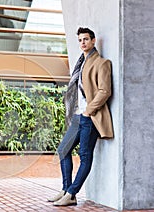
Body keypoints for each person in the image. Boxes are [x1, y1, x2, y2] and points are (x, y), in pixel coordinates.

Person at [47, 27, 113, 206]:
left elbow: (104, 90)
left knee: (85, 155)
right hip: (78, 115)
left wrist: (88, 111)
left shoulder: (102, 63)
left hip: (89, 116)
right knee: (63, 150)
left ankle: (71, 192)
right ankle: (66, 189)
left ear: (93, 41)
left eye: (86, 39)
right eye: (80, 40)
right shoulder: (80, 62)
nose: (82, 42)